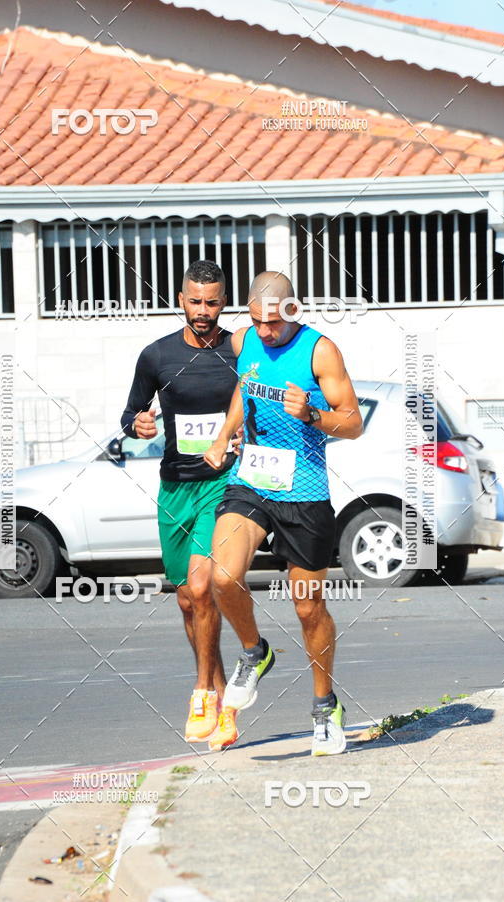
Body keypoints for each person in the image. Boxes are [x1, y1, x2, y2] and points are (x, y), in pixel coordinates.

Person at [204, 272, 363, 754]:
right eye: (256, 322)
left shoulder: (320, 351)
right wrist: (222, 434)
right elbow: (244, 387)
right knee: (222, 577)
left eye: (272, 323)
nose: (264, 333)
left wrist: (313, 415)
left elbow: (354, 422)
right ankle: (255, 652)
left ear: (292, 309)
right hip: (251, 480)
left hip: (305, 491)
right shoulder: (244, 340)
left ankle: (324, 707)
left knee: (308, 606)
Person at [121, 260, 244, 744]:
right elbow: (131, 412)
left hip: (223, 481)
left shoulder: (239, 351)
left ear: (223, 302)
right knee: (187, 601)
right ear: (180, 300)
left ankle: (200, 692)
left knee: (202, 585)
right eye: (195, 301)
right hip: (174, 486)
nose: (203, 311)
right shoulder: (156, 356)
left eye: (212, 302)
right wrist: (139, 424)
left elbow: (260, 400)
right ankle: (221, 695)